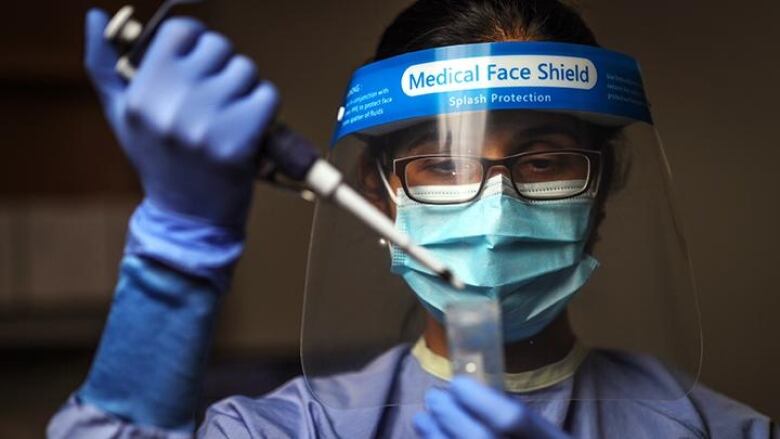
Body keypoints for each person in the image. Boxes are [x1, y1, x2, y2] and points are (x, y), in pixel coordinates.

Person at [49, 0, 777, 438]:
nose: (496, 209)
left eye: (545, 159)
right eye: (444, 162)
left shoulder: (717, 428)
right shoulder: (304, 427)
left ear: (602, 183)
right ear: (380, 188)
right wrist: (180, 241)